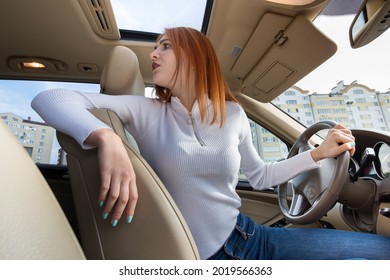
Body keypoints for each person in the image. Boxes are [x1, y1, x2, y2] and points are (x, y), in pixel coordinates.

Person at [32, 27, 390, 260]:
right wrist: (106, 137)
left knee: (382, 252)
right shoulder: (146, 112)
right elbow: (51, 100)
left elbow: (262, 176)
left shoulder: (233, 115)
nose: (153, 54)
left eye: (166, 47)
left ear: (195, 56)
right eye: (154, 48)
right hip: (214, 257)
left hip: (249, 238)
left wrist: (319, 154)